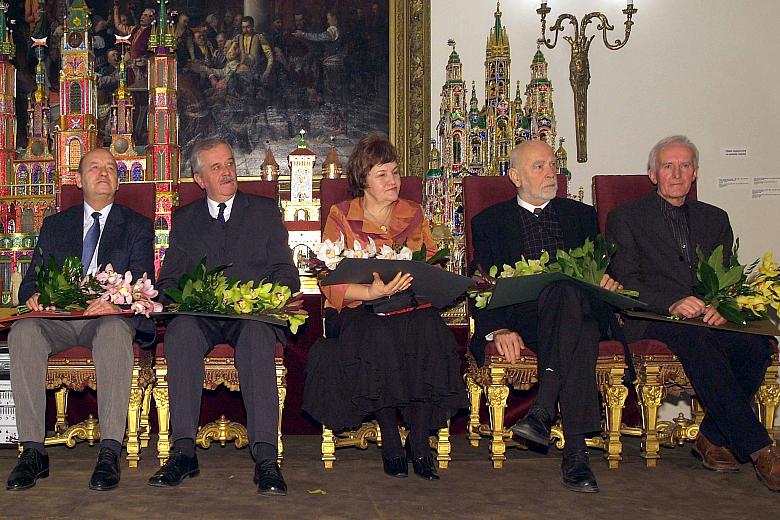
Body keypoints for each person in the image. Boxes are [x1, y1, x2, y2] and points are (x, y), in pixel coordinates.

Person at [606, 135, 780, 492]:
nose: (676, 173)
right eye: (668, 166)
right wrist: (672, 302)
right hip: (651, 318)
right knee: (699, 339)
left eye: (684, 166)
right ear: (652, 174)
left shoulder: (715, 218)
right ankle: (761, 449)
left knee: (758, 343)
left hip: (705, 316)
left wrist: (720, 305)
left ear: (695, 173)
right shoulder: (626, 218)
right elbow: (626, 279)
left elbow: (726, 274)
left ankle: (711, 436)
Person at [303, 134, 467, 481]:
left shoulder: (413, 213)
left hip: (408, 306)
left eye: (394, 172)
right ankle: (391, 440)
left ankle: (419, 442)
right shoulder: (342, 216)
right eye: (383, 175)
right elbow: (328, 281)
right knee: (377, 335)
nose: (393, 181)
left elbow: (432, 267)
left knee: (430, 331)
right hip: (358, 309)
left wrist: (429, 281)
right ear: (363, 180)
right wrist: (370, 291)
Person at [148, 138, 299, 496]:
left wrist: (269, 298)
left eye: (229, 163)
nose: (227, 171)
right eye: (216, 167)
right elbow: (168, 279)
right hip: (202, 314)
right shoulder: (185, 219)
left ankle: (266, 459)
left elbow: (285, 272)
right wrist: (182, 299)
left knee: (259, 335)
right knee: (181, 331)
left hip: (250, 315)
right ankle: (183, 452)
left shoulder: (263, 211)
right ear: (200, 180)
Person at [470, 140, 622, 493]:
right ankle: (576, 453)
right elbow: (481, 282)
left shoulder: (581, 217)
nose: (551, 172)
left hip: (581, 309)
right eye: (539, 166)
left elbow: (601, 271)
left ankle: (542, 410)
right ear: (515, 176)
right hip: (527, 323)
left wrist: (608, 278)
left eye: (552, 165)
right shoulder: (491, 222)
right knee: (579, 332)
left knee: (566, 292)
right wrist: (498, 328)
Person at [5, 148, 155, 492]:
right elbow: (31, 281)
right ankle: (32, 450)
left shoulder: (136, 226)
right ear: (78, 180)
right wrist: (35, 295)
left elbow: (144, 284)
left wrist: (114, 301)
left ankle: (109, 450)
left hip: (105, 318)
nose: (103, 173)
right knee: (24, 331)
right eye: (94, 167)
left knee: (115, 330)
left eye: (110, 168)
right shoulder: (56, 225)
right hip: (58, 318)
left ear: (118, 182)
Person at [232, 16, 273, 81]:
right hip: (241, 70)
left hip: (255, 71)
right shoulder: (238, 38)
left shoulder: (259, 37)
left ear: (252, 26)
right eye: (243, 27)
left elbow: (269, 56)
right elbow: (230, 55)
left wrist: (267, 71)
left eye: (248, 27)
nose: (245, 30)